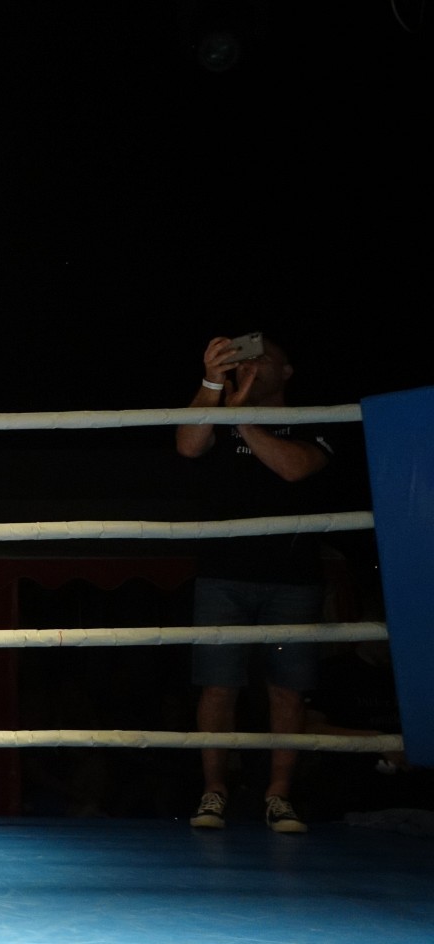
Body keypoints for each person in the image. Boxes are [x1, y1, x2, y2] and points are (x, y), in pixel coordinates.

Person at [178, 333, 331, 834]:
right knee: (218, 687)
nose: (250, 363)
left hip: (292, 577)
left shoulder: (313, 419)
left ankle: (278, 795)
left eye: (263, 357)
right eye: (244, 356)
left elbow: (295, 467)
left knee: (288, 691)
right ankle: (214, 790)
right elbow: (188, 444)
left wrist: (240, 416)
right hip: (222, 571)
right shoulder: (217, 410)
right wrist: (212, 383)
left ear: (286, 373)